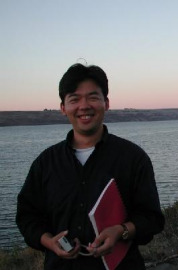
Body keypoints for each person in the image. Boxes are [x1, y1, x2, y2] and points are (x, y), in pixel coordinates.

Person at [16, 63, 165, 270]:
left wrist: (121, 231)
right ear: (63, 108)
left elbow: (152, 219)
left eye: (93, 97)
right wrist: (48, 241)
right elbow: (27, 216)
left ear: (106, 103)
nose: (84, 106)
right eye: (74, 99)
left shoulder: (133, 158)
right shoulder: (45, 163)